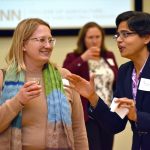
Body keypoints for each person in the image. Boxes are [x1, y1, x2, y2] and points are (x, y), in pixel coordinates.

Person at [66, 11, 150, 150]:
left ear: (146, 37)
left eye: (126, 34)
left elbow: (137, 117)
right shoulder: (125, 72)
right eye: (118, 35)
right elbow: (115, 123)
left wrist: (137, 116)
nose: (118, 40)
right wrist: (92, 97)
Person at [0, 18, 89, 150]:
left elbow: (79, 131)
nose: (48, 45)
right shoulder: (3, 77)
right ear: (23, 45)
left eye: (50, 40)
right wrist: (18, 101)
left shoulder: (64, 76)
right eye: (41, 40)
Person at [63, 22, 118, 150]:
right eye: (90, 37)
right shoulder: (74, 57)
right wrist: (83, 58)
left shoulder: (108, 56)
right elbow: (65, 74)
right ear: (83, 39)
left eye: (97, 37)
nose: (94, 41)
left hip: (108, 112)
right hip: (88, 113)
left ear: (102, 38)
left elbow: (116, 79)